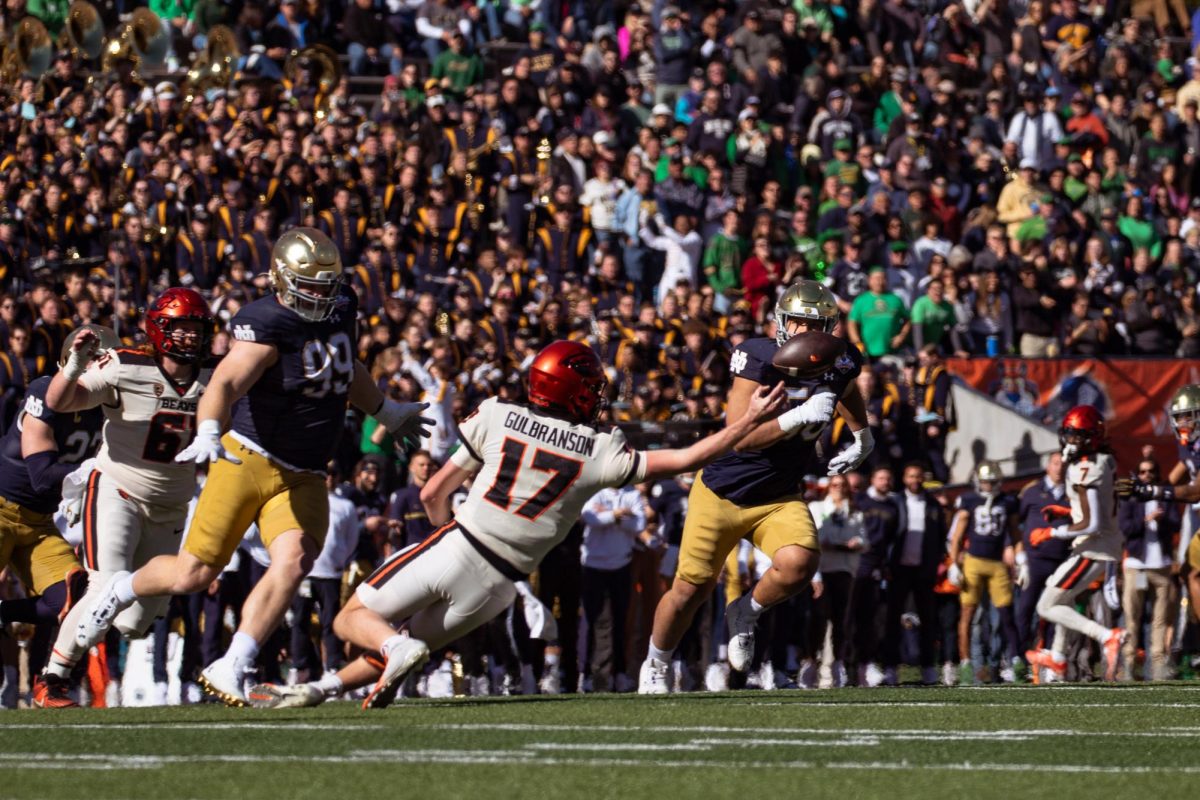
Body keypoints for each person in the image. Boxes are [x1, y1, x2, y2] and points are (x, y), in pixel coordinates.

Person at [75, 228, 433, 706]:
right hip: (248, 457)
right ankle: (121, 587)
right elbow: (223, 384)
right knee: (193, 574)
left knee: (295, 562)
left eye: (328, 284)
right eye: (312, 285)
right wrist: (207, 431)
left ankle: (233, 664)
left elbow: (344, 368)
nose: (322, 294)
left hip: (305, 470)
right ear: (284, 280)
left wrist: (384, 410)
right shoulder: (266, 322)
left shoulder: (342, 307)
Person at [330, 339, 785, 708]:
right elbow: (689, 456)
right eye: (592, 385)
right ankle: (320, 689)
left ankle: (373, 660)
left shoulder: (496, 414)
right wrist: (747, 422)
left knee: (354, 622)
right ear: (574, 388)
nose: (600, 395)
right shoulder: (599, 449)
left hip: (460, 543)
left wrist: (441, 542)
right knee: (403, 645)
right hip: (502, 585)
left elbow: (432, 494)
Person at [638, 280, 872, 693]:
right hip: (723, 489)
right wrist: (797, 417)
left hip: (778, 494)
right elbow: (737, 434)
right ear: (783, 322)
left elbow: (846, 388)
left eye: (816, 324)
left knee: (800, 564)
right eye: (800, 322)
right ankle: (656, 663)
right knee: (689, 590)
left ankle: (746, 610)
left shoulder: (841, 357)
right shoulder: (758, 357)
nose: (806, 333)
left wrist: (862, 434)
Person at [37, 289, 215, 708]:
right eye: (181, 329)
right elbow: (60, 401)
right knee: (104, 587)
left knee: (135, 624)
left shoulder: (216, 376)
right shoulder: (125, 364)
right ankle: (53, 679)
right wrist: (77, 365)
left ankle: (83, 600)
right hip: (117, 487)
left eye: (196, 330)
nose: (190, 338)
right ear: (159, 328)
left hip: (172, 503)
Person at [0, 326, 111, 708]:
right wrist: (99, 471)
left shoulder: (110, 410)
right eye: (99, 364)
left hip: (39, 521)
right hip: (2, 506)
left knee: (75, 597)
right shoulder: (44, 391)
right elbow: (41, 475)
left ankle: (9, 623)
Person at [1026, 405, 1126, 683]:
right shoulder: (1101, 460)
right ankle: (1058, 658)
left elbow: (1092, 523)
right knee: (1063, 599)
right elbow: (1096, 509)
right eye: (1067, 434)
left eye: (1074, 436)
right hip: (1100, 544)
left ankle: (1107, 636)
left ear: (1089, 437)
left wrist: (1051, 533)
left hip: (1093, 546)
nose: (1068, 441)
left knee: (1046, 606)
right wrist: (1068, 512)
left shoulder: (1084, 468)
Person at [947, 460, 1023, 685]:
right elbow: (957, 535)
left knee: (1007, 614)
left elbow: (1015, 532)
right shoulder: (969, 501)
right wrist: (954, 562)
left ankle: (1016, 660)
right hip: (973, 561)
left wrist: (1021, 559)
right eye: (985, 482)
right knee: (968, 614)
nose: (988, 486)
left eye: (991, 481)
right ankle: (966, 662)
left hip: (997, 562)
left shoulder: (1008, 501)